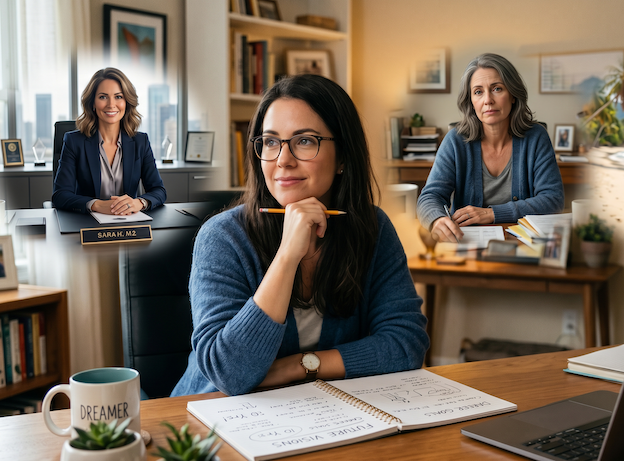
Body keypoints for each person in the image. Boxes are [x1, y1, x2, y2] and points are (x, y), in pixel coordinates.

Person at [171, 74, 429, 397]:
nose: (283, 160)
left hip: (321, 414)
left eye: (305, 141)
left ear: (343, 158)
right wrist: (287, 256)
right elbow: (230, 372)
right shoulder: (222, 238)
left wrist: (300, 366)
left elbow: (407, 343)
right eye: (270, 142)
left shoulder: (372, 228)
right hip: (211, 420)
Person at [417, 53, 564, 243]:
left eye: (497, 89)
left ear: (512, 95)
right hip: (466, 244)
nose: (488, 100)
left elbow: (553, 199)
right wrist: (437, 220)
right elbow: (429, 197)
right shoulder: (455, 141)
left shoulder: (536, 137)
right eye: (478, 92)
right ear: (471, 100)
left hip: (521, 244)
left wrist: (492, 214)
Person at [52, 67, 166, 215]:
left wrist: (139, 203)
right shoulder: (74, 141)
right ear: (92, 103)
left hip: (130, 224)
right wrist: (97, 205)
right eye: (103, 97)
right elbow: (60, 195)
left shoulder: (140, 141)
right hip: (87, 225)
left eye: (118, 97)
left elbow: (159, 190)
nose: (111, 104)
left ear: (127, 102)